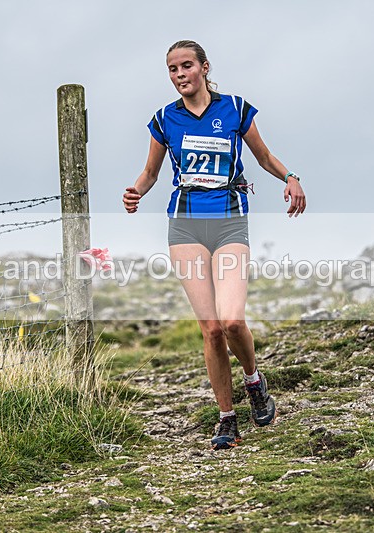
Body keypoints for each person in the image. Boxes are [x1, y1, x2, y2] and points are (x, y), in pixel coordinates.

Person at [123, 40, 306, 450]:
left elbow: (263, 156)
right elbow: (150, 173)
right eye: (172, 69)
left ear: (204, 68)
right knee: (209, 330)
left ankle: (254, 381)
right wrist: (135, 191)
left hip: (228, 222)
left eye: (187, 66)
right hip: (184, 226)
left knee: (232, 321)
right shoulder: (163, 119)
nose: (180, 75)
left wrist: (290, 177)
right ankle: (227, 418)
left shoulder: (236, 109)